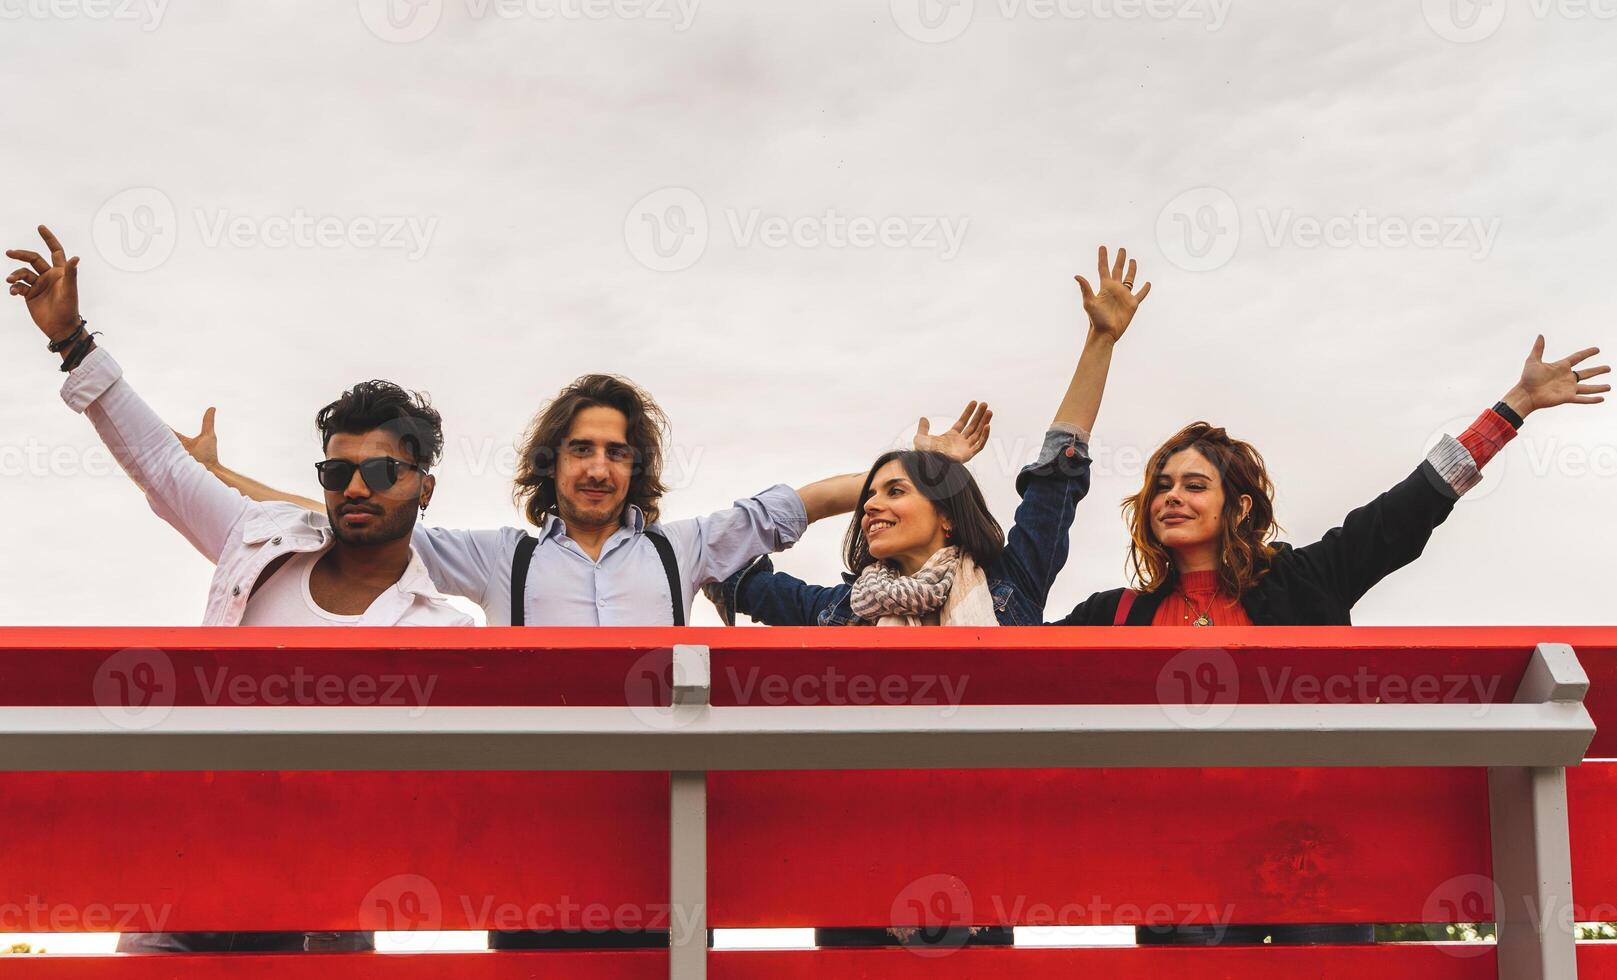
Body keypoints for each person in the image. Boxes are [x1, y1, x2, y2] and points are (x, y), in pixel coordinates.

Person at [1051, 336, 1608, 947]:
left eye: (1193, 485)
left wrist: (1514, 406)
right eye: (1162, 486)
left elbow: (1406, 512)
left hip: (1308, 850)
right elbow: (1014, 650)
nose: (1172, 498)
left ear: (1237, 508)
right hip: (1188, 860)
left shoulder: (1302, 582)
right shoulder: (1116, 614)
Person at [7, 225, 471, 954]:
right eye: (335, 471)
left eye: (381, 472)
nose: (355, 486)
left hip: (323, 910)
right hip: (187, 878)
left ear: (424, 487)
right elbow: (162, 467)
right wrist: (72, 341)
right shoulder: (263, 540)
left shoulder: (441, 631)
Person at [704, 245, 1150, 949]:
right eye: (867, 499)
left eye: (894, 495)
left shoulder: (1008, 585)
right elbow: (725, 559)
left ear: (945, 513)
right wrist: (903, 471)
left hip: (976, 877)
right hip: (855, 879)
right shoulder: (833, 610)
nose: (871, 509)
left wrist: (1099, 340)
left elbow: (1057, 476)